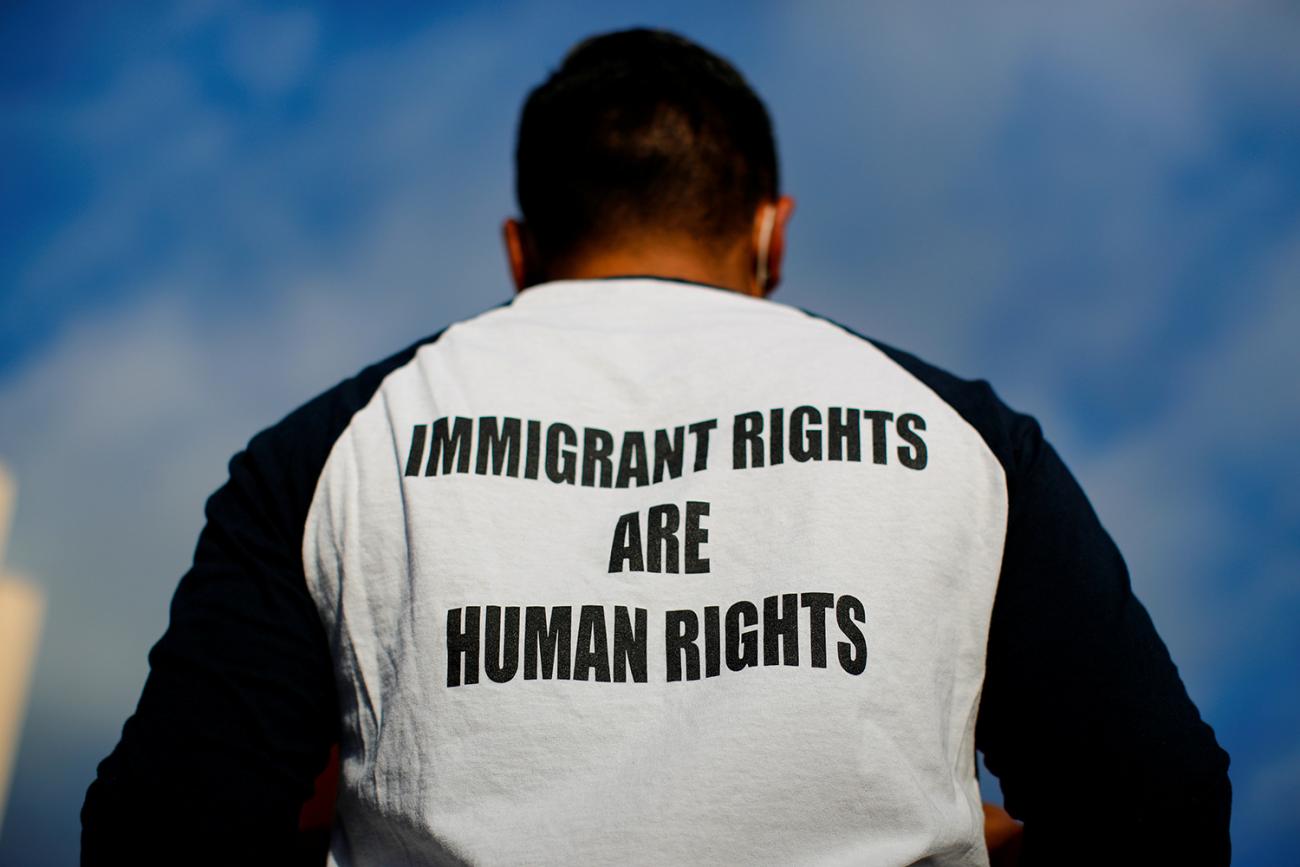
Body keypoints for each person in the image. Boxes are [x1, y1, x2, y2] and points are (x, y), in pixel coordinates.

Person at [82, 27, 1232, 866]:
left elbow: (160, 836)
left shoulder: (335, 448)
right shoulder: (963, 439)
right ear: (771, 232)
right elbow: (1159, 806)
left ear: (520, 248)